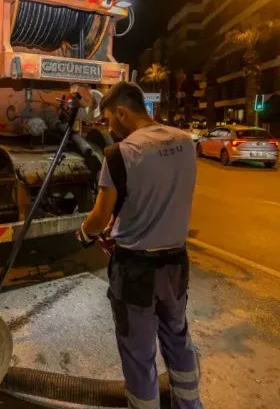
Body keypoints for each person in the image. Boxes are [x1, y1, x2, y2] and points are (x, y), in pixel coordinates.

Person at [78, 81, 201, 409]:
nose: (108, 127)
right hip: (176, 264)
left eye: (108, 120)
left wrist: (84, 233)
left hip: (135, 272)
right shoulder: (186, 142)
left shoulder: (120, 154)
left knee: (139, 354)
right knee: (178, 338)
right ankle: (189, 404)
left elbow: (99, 216)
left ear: (121, 112)